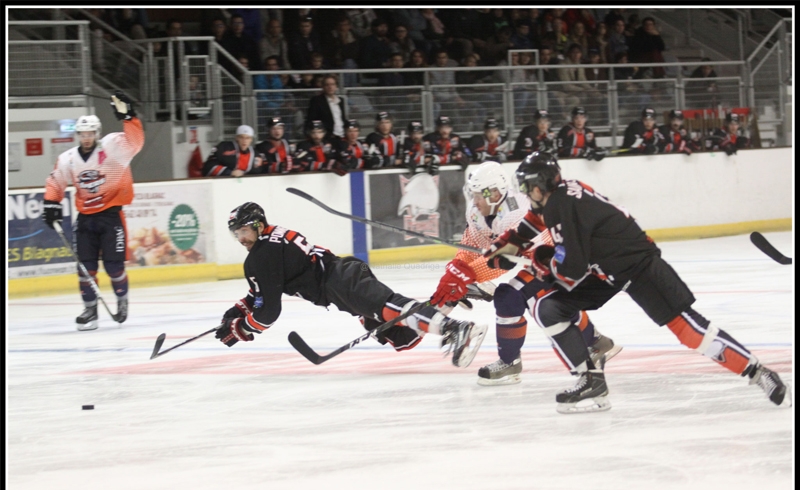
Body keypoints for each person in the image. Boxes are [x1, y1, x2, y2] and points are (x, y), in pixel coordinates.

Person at [485, 152, 790, 412]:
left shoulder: (560, 205)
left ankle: (758, 371)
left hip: (639, 266)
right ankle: (591, 382)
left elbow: (571, 269)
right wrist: (510, 242)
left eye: (528, 188)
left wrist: (539, 260)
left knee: (689, 330)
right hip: (604, 271)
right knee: (548, 308)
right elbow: (538, 225)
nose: (526, 194)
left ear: (541, 186)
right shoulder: (562, 195)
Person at [218, 202, 488, 368]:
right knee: (401, 337)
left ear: (258, 225)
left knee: (396, 310)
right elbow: (261, 294)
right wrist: (237, 312)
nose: (241, 239)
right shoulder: (270, 241)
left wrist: (242, 327)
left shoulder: (262, 255)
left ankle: (457, 330)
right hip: (341, 282)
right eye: (237, 234)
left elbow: (267, 313)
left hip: (340, 281)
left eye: (244, 231)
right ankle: (452, 298)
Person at [431, 161, 621, 385]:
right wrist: (456, 270)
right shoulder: (478, 209)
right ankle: (596, 341)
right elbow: (473, 242)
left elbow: (504, 262)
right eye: (472, 194)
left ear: (494, 192)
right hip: (538, 260)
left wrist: (468, 275)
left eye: (478, 195)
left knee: (527, 297)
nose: (474, 200)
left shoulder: (516, 213)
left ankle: (514, 362)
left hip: (560, 256)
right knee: (530, 299)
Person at [42, 91, 144, 330]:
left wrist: (129, 117)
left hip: (111, 217)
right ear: (77, 135)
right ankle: (90, 311)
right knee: (85, 268)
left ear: (97, 134)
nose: (86, 138)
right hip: (86, 220)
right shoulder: (68, 159)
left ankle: (122, 301)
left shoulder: (113, 148)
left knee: (114, 266)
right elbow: (56, 181)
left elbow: (135, 142)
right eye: (82, 134)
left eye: (90, 134)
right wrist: (51, 203)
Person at [305, 74, 346, 140]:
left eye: (332, 84)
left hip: (342, 136)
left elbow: (342, 119)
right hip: (327, 137)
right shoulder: (316, 100)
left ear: (336, 86)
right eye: (327, 85)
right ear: (323, 87)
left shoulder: (341, 100)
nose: (330, 87)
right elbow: (311, 120)